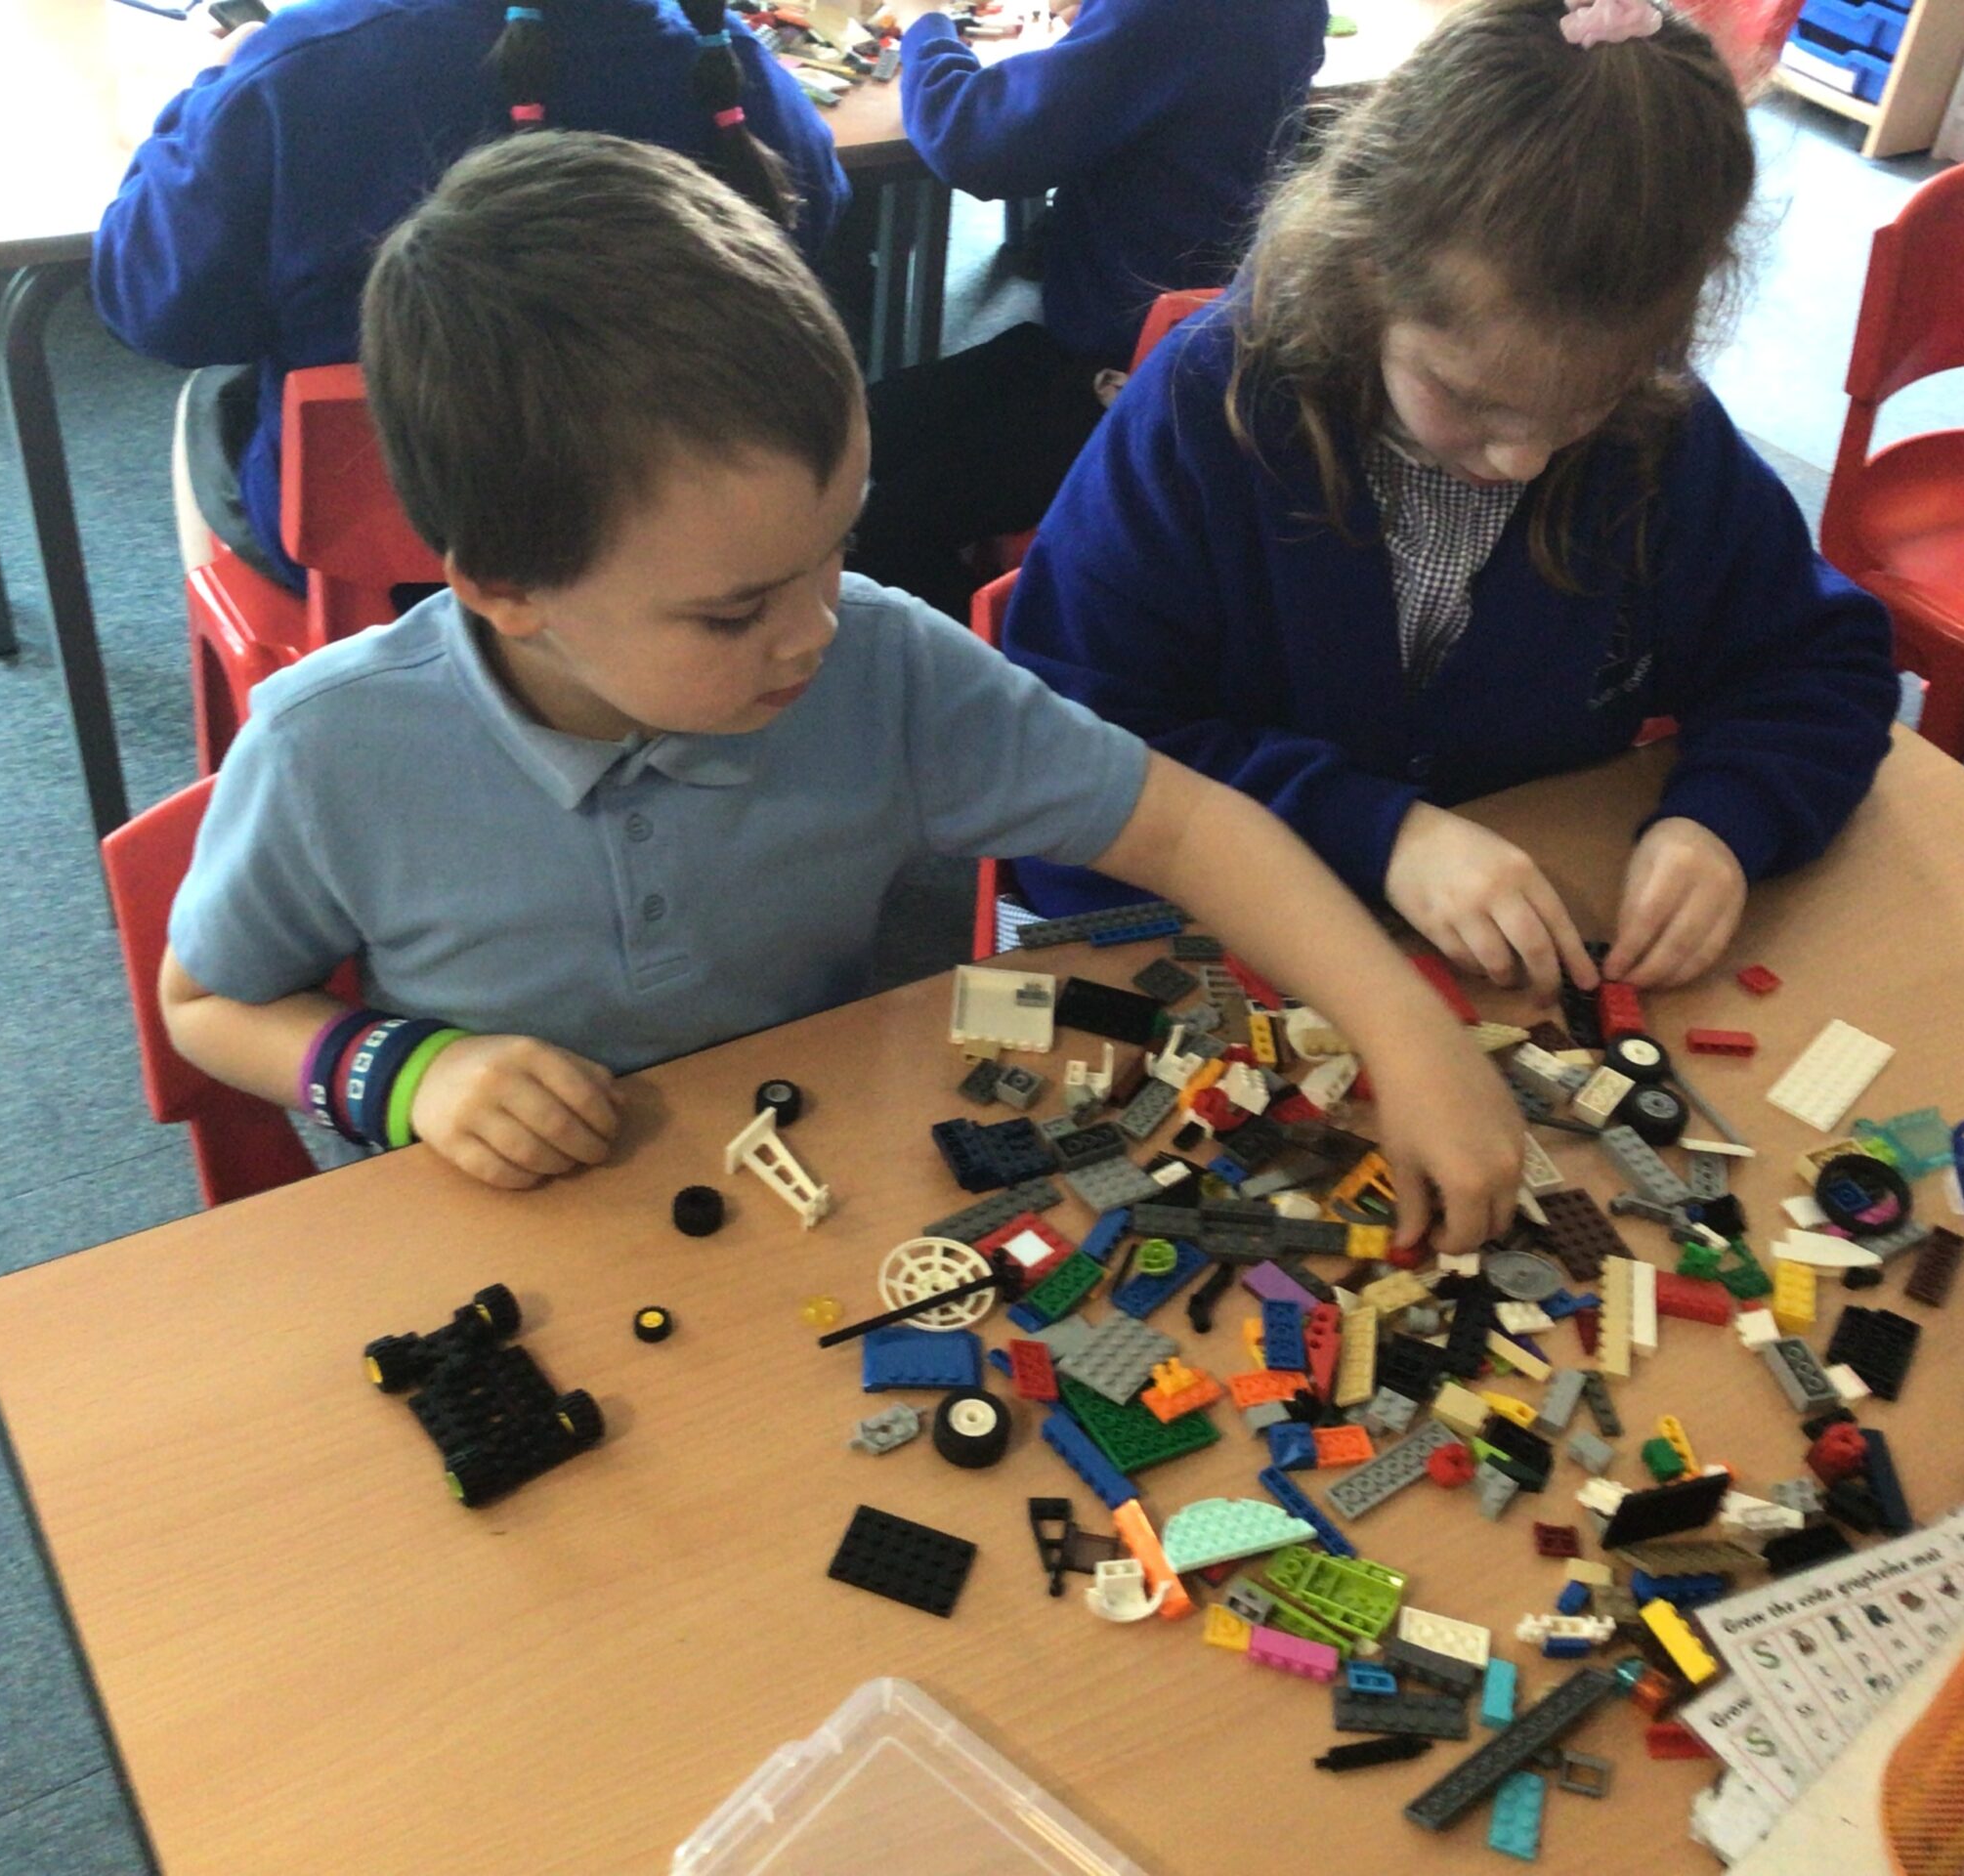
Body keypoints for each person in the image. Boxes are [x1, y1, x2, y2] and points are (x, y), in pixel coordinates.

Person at [158, 131, 1526, 1250]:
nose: (813, 633)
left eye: (838, 550)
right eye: (733, 611)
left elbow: (1184, 824)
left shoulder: (883, 665)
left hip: (799, 1195)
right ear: (507, 588)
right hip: (498, 1235)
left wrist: (1406, 1035)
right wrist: (413, 1074)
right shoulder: (330, 751)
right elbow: (207, 1004)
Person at [1000, 0, 1899, 993]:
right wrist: (1377, 831)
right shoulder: (1207, 414)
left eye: (1582, 405)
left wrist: (1725, 819)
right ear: (1367, 272)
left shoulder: (1656, 428)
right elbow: (1072, 746)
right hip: (1202, 947)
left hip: (1488, 970)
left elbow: (1818, 661)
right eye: (1468, 399)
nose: (1522, 459)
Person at [92, 0, 848, 591]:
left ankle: (278, 711)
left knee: (208, 401)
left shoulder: (298, 67)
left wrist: (207, 86)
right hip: (675, 548)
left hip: (379, 564)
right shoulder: (727, 65)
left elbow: (154, 307)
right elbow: (808, 245)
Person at [844, 0, 1329, 618]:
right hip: (1178, 336)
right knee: (865, 424)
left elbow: (974, 141)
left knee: (882, 521)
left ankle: (994, 655)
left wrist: (925, 23)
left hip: (1132, 378)